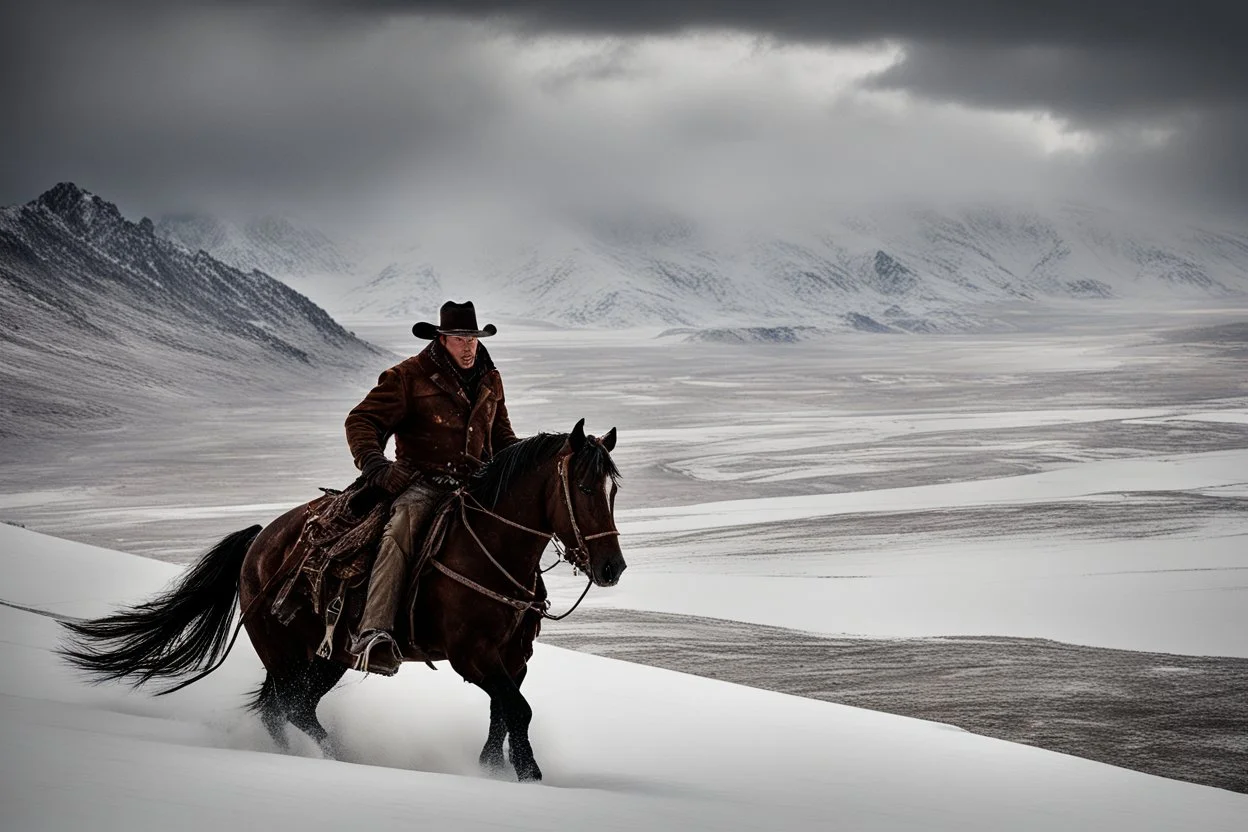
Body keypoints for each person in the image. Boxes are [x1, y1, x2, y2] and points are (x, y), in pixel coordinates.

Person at [344, 300, 519, 673]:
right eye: (459, 338)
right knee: (398, 536)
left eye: (472, 337)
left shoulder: (490, 378)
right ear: (441, 339)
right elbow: (361, 421)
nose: (468, 345)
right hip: (423, 483)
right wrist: (376, 466)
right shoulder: (408, 376)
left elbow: (502, 436)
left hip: (476, 485)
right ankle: (374, 632)